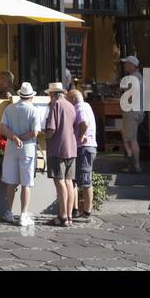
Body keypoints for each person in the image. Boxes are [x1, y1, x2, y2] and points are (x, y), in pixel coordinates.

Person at [0, 81, 40, 227]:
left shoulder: (10, 108)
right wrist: (21, 138)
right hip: (27, 148)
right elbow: (35, 132)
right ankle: (23, 214)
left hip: (11, 147)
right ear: (31, 97)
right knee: (26, 183)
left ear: (20, 95)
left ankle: (9, 212)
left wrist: (15, 138)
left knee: (11, 181)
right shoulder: (34, 110)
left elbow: (3, 128)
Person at [44, 82, 77, 227]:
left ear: (52, 94)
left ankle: (63, 216)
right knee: (69, 182)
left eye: (49, 95)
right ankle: (69, 216)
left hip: (58, 148)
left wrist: (43, 135)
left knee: (60, 182)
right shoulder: (70, 105)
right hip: (71, 147)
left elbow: (51, 130)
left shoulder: (56, 105)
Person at [66, 86, 98, 219]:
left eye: (68, 100)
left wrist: (80, 136)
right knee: (77, 179)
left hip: (84, 147)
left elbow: (84, 122)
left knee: (85, 180)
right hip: (87, 147)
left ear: (73, 99)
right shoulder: (87, 106)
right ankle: (77, 210)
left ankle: (87, 212)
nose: (67, 103)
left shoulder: (79, 108)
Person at [118, 55, 145, 173]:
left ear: (132, 66)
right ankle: (132, 163)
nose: (125, 65)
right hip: (137, 111)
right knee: (129, 138)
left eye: (127, 63)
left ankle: (134, 165)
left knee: (130, 139)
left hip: (131, 111)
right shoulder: (139, 77)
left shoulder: (133, 79)